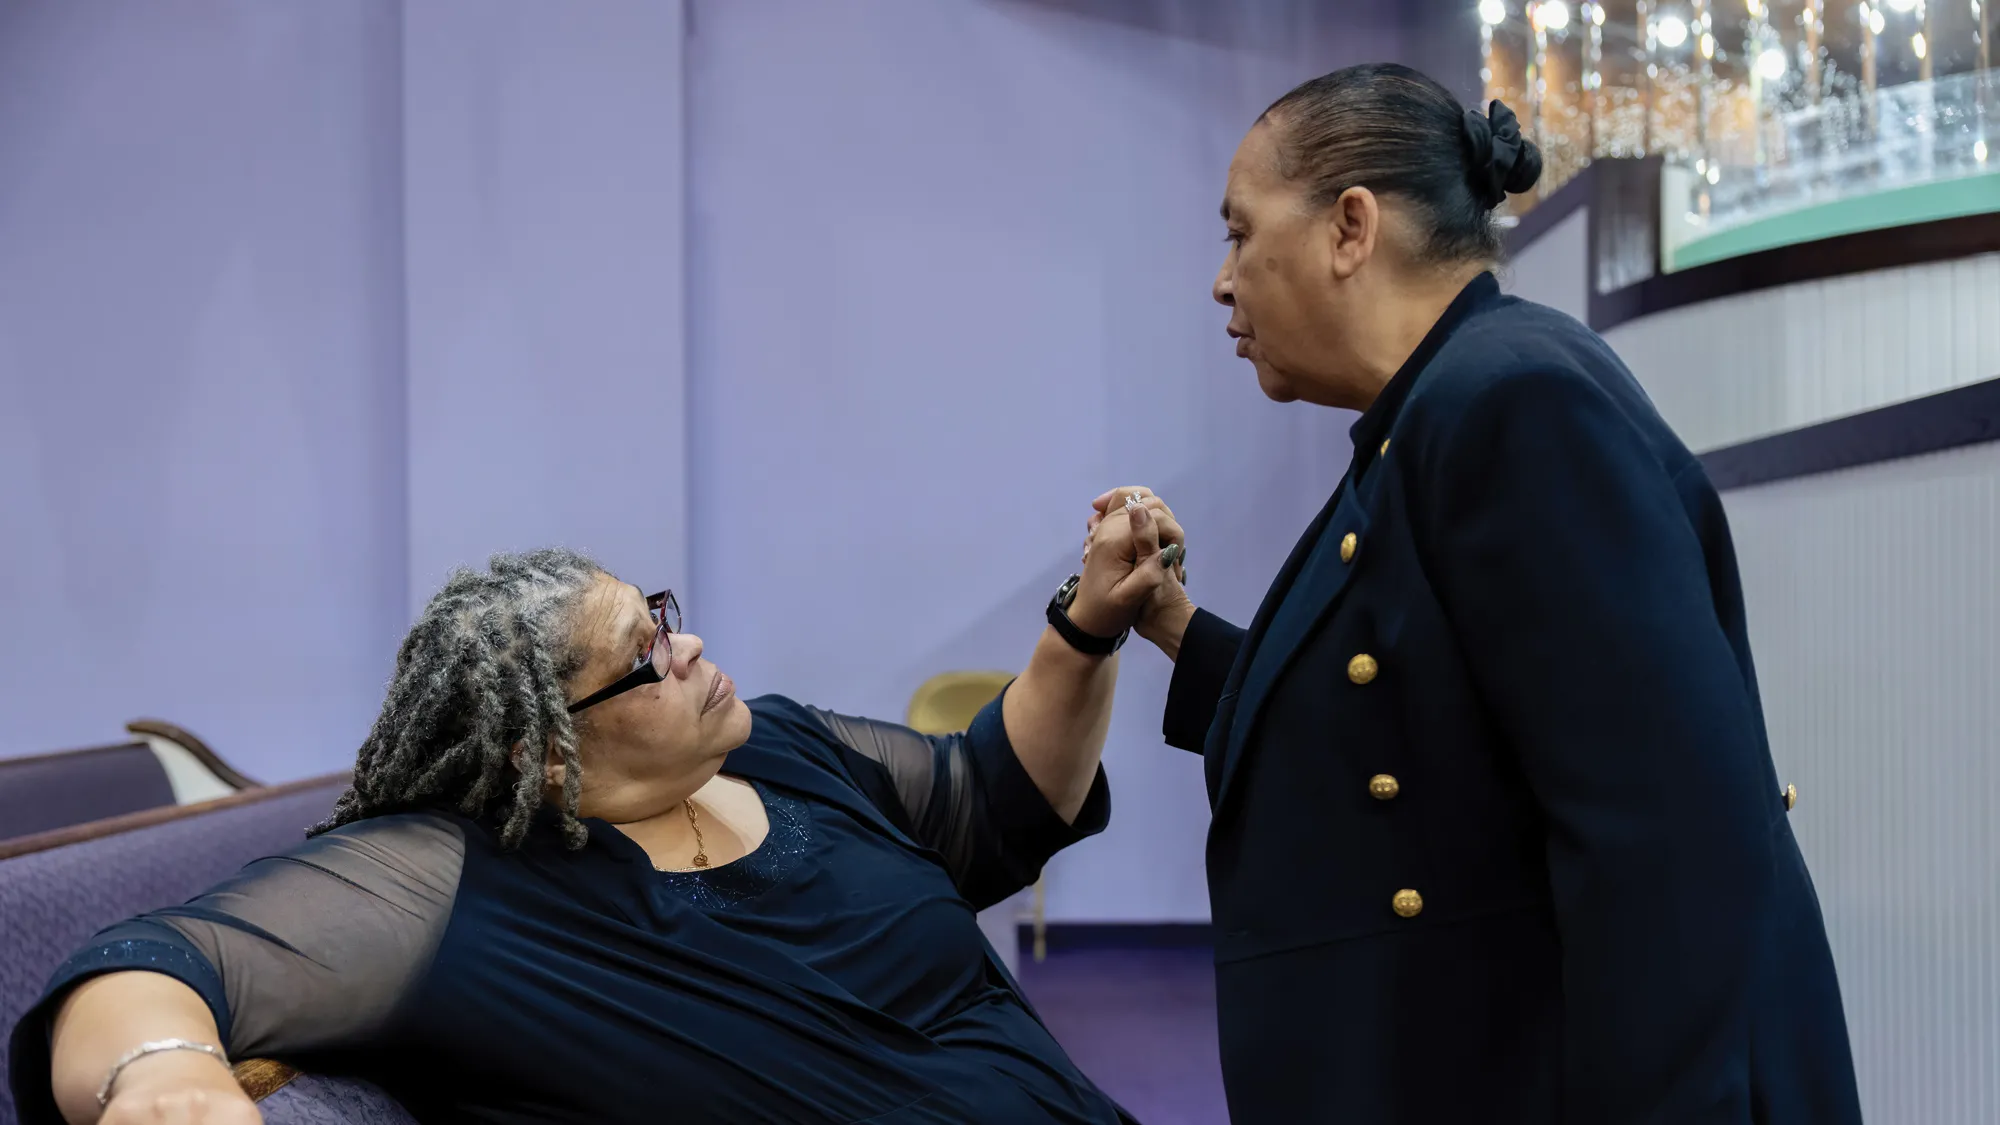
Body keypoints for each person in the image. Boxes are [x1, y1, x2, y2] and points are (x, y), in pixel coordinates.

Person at [1094, 64, 1864, 1123]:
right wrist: (1173, 624)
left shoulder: (1512, 405)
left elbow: (1661, 847)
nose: (1222, 281)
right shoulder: (1434, 408)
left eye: (1238, 233)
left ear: (1347, 228)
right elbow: (1398, 728)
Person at [12, 494, 1182, 1125]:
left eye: (662, 616)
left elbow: (996, 792)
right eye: (647, 653)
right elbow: (151, 959)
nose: (693, 648)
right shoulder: (451, 883)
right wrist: (165, 1071)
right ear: (542, 747)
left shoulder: (780, 746)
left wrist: (1083, 627)